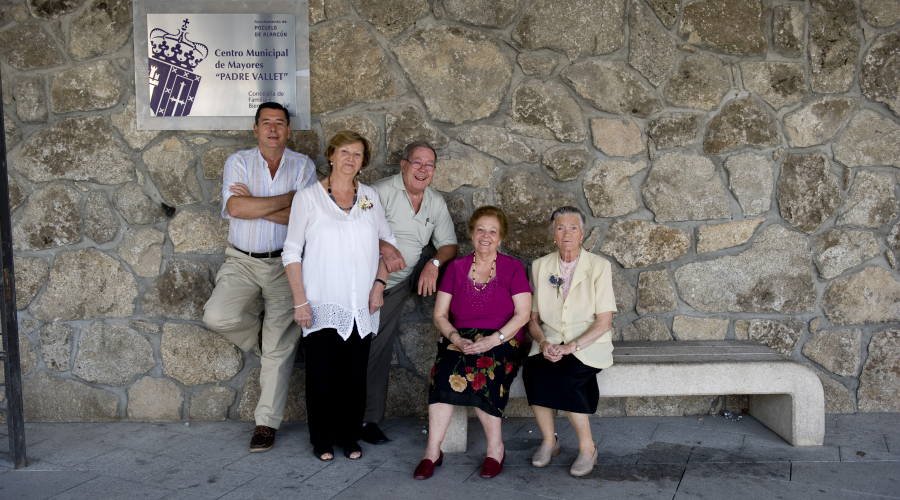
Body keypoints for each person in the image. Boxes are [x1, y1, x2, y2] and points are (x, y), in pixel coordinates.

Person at [203, 102, 316, 453]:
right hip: (241, 261)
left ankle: (265, 424)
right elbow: (235, 208)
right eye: (265, 122)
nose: (272, 128)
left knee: (280, 352)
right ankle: (262, 341)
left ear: (288, 130)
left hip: (286, 265)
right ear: (255, 130)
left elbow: (307, 218)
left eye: (279, 123)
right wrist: (286, 202)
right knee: (216, 315)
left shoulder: (303, 166)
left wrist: (256, 204)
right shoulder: (238, 162)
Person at [282, 131, 397, 462]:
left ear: (363, 163)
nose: (350, 158)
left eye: (358, 154)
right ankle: (321, 440)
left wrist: (379, 285)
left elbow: (386, 245)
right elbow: (291, 252)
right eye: (344, 151)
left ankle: (348, 436)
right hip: (320, 303)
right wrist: (300, 301)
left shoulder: (369, 197)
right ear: (331, 156)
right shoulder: (309, 198)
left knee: (354, 378)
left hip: (361, 305)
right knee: (321, 377)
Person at [414, 206, 531, 480]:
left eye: (493, 231)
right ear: (471, 234)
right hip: (460, 337)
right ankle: (432, 451)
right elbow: (440, 314)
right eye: (480, 229)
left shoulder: (512, 268)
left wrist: (494, 339)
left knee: (484, 370)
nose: (486, 236)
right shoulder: (456, 268)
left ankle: (495, 449)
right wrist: (454, 337)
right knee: (443, 373)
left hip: (504, 338)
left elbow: (522, 314)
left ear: (501, 238)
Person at [361, 142, 458, 445]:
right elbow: (354, 229)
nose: (423, 170)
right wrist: (384, 248)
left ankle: (368, 419)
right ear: (402, 165)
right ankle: (356, 418)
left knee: (377, 349)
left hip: (402, 281)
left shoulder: (434, 202)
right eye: (417, 163)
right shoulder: (377, 192)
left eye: (429, 165)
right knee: (366, 349)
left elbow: (449, 244)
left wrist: (434, 262)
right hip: (368, 282)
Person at [523, 206, 617, 477]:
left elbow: (604, 322)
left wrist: (570, 347)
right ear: (553, 234)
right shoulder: (541, 266)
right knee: (535, 371)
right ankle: (549, 441)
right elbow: (533, 319)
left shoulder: (599, 267)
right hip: (550, 340)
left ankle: (588, 448)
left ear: (583, 233)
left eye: (573, 227)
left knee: (566, 377)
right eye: (560, 227)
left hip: (588, 343)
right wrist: (542, 343)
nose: (567, 233)